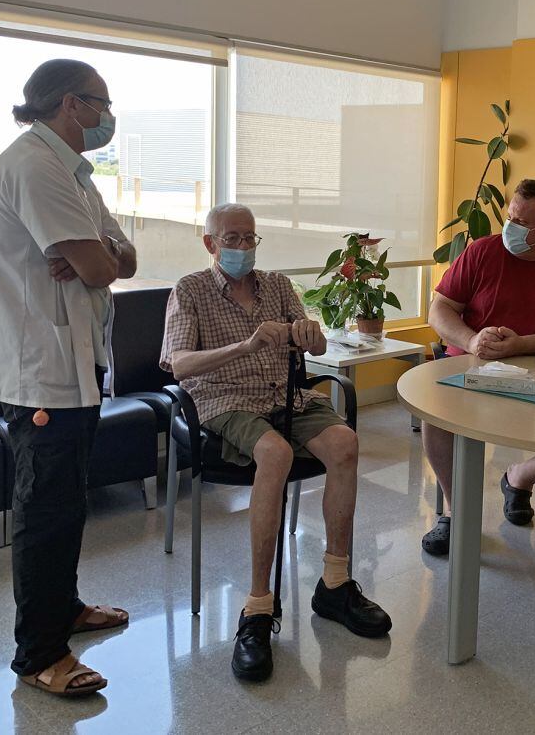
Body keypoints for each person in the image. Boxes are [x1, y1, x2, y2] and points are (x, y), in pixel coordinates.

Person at [0, 59, 137, 697]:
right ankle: (39, 654)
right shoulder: (33, 165)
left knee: (68, 497)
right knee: (45, 506)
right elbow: (101, 269)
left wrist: (99, 253)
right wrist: (98, 257)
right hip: (39, 368)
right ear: (69, 104)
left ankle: (67, 608)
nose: (108, 117)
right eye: (101, 103)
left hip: (74, 361)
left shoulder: (74, 173)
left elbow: (122, 256)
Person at [160, 203, 391, 683]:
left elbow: (316, 345)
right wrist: (246, 345)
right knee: (275, 452)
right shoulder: (190, 289)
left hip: (286, 396)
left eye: (250, 237)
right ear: (210, 243)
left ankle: (334, 583)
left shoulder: (279, 285)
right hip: (227, 399)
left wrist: (312, 336)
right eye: (232, 238)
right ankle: (258, 607)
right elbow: (179, 364)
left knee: (345, 443)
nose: (242, 247)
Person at [421, 179, 535, 556]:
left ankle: (519, 478)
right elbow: (439, 309)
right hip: (471, 367)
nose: (509, 227)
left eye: (520, 222)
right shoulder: (481, 252)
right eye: (509, 217)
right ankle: (456, 512)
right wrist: (472, 340)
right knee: (435, 419)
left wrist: (520, 344)